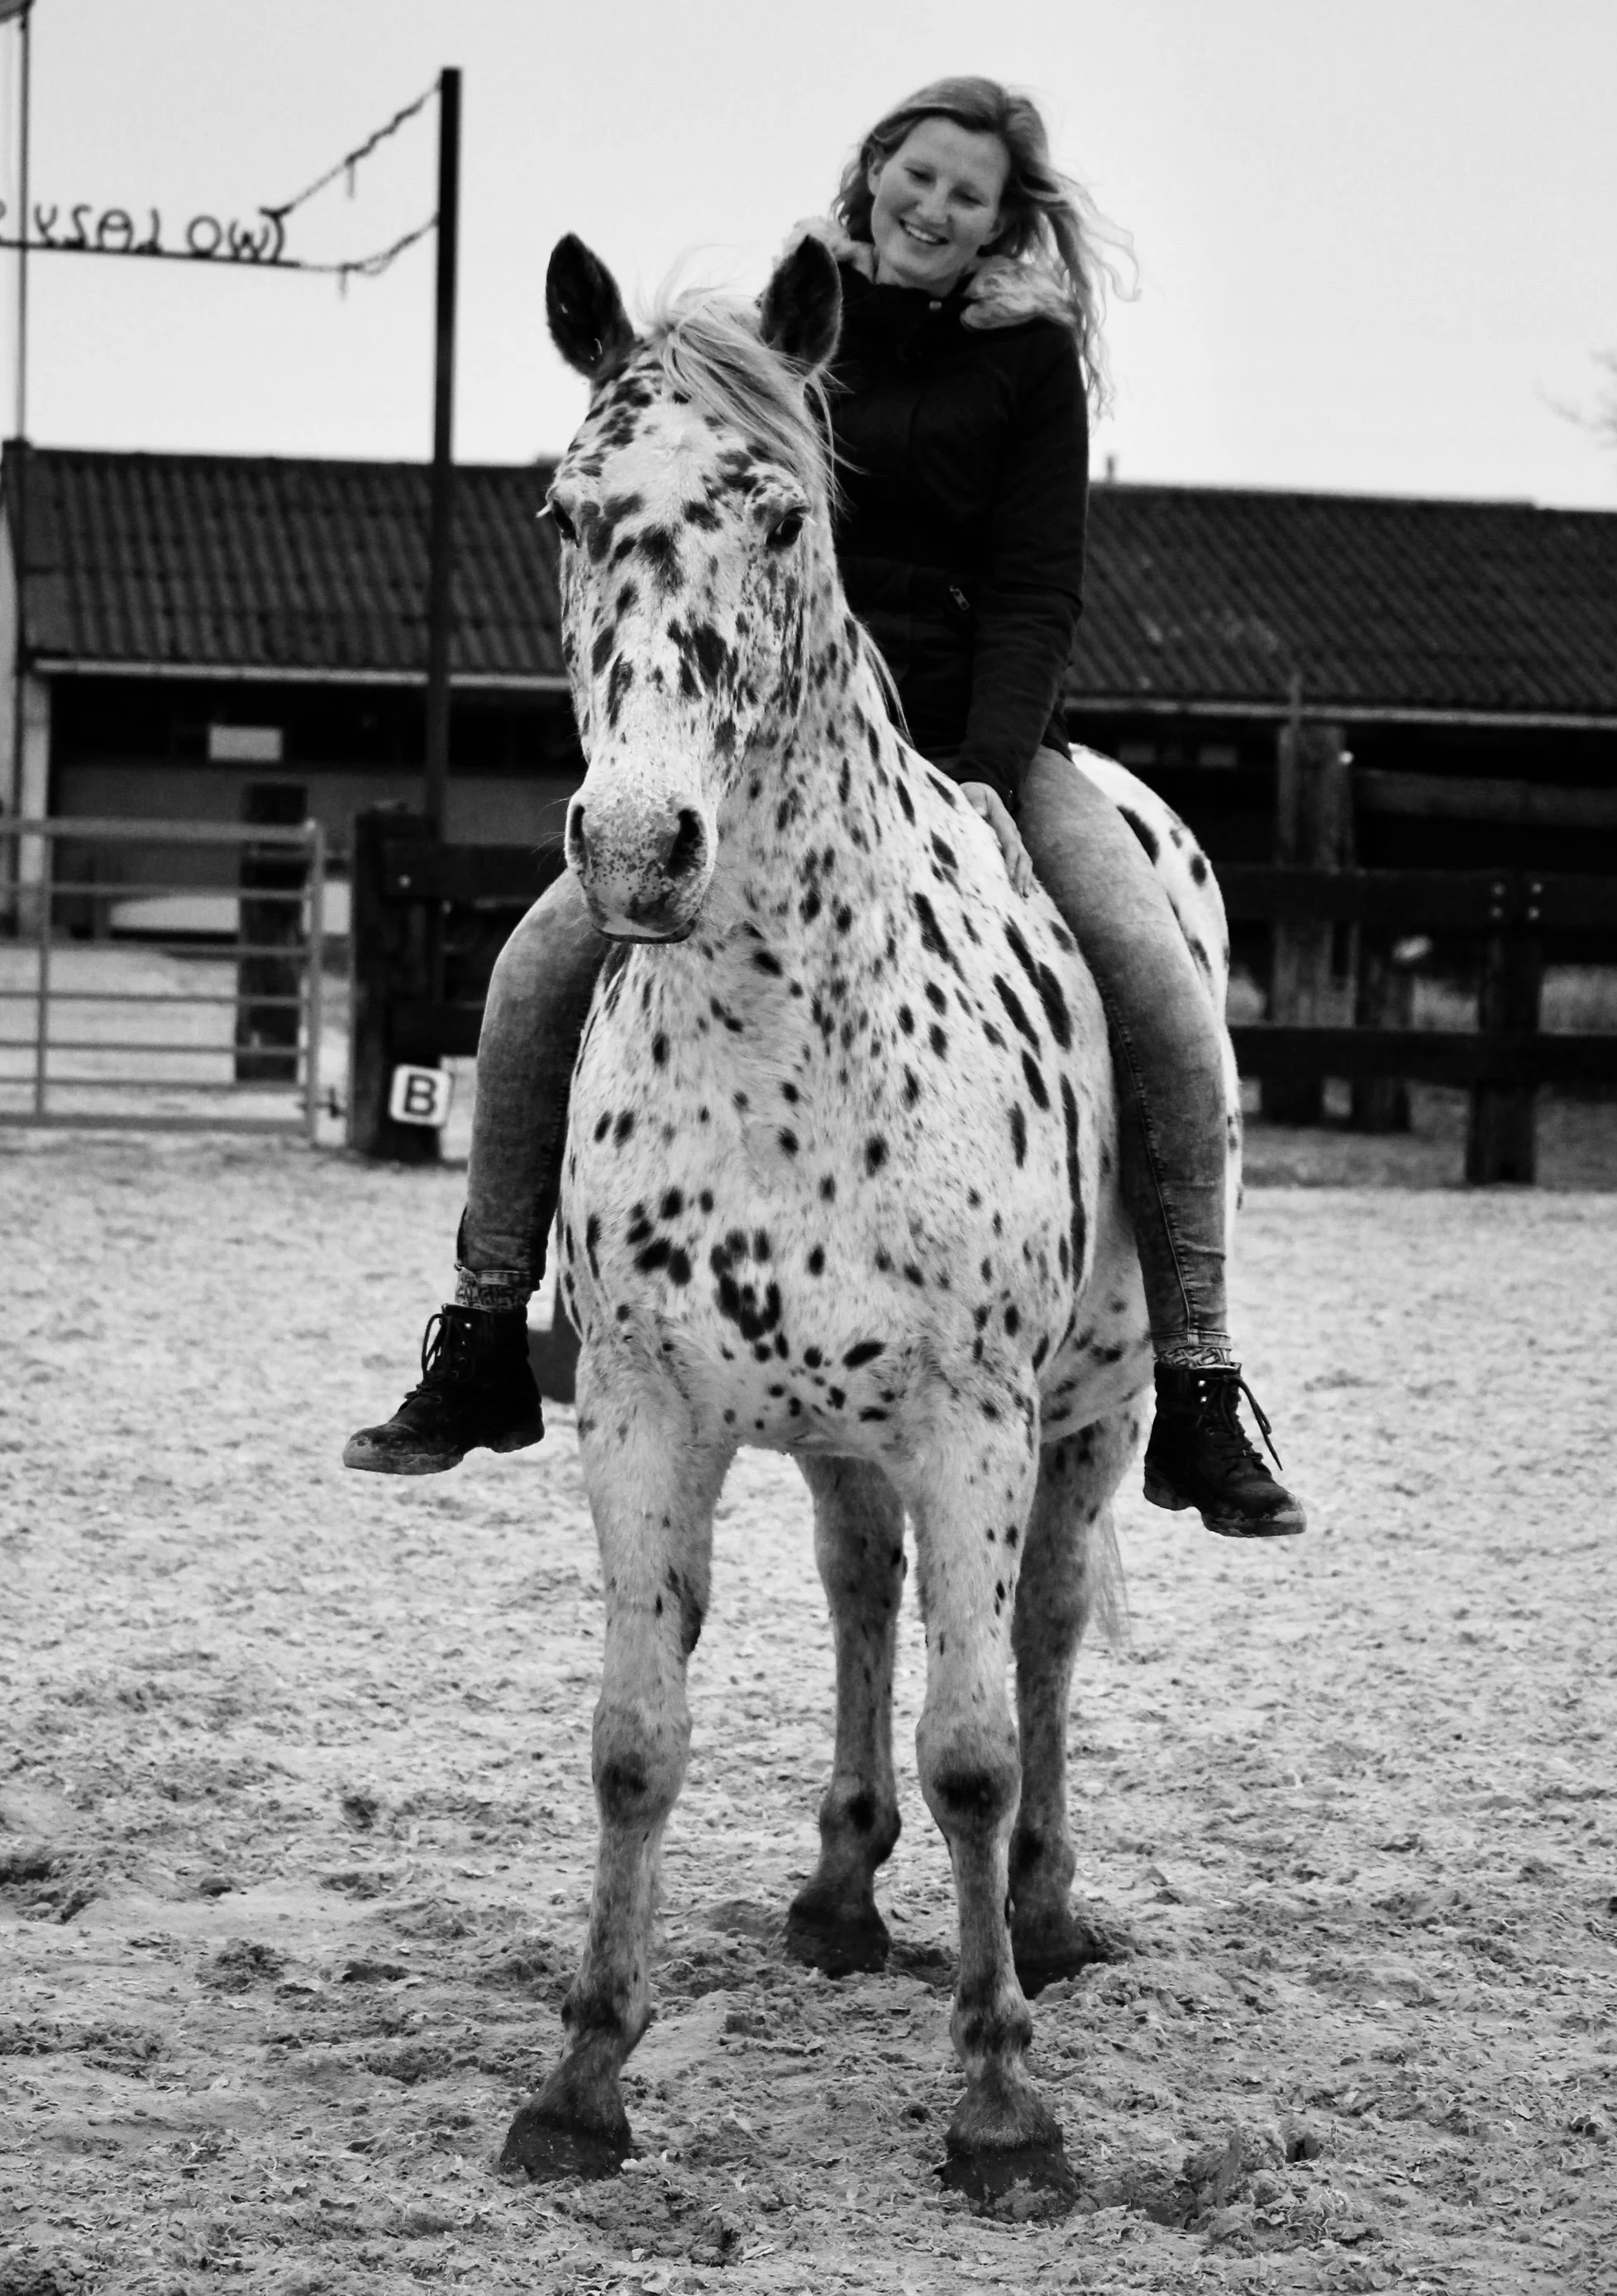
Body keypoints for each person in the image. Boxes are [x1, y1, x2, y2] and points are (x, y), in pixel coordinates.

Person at [346, 76, 1304, 1541]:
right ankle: (486, 1329)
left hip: (981, 733)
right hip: (770, 738)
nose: (935, 207)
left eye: (968, 195)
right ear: (872, 173)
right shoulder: (772, 339)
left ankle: (1195, 1377)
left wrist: (986, 773)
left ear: (1002, 222)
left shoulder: (1031, 363)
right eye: (917, 175)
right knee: (537, 966)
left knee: (1158, 980)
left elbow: (1041, 585)